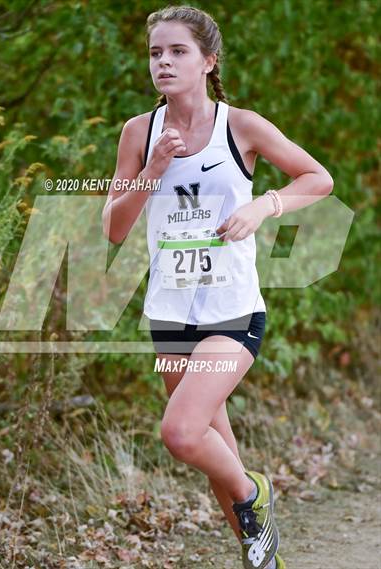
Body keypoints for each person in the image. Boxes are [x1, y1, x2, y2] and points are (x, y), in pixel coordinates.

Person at [102, 6, 333, 569]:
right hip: (170, 315)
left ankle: (255, 489)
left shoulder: (241, 125)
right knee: (214, 454)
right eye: (156, 52)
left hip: (232, 312)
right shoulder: (140, 132)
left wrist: (264, 205)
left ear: (208, 61)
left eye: (178, 51)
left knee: (182, 434)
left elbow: (318, 178)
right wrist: (151, 172)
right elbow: (113, 227)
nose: (163, 62)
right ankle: (261, 559)